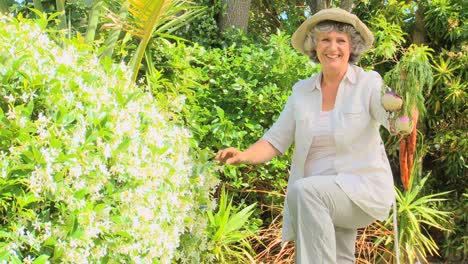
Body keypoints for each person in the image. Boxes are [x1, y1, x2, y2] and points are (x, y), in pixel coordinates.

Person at [215, 8, 396, 264]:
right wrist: (244, 155)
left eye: (340, 41)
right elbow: (275, 139)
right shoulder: (301, 92)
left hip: (360, 191)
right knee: (339, 255)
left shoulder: (369, 84)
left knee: (305, 192)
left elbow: (396, 121)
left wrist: (402, 105)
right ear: (314, 46)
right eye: (325, 40)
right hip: (320, 199)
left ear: (351, 47)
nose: (332, 47)